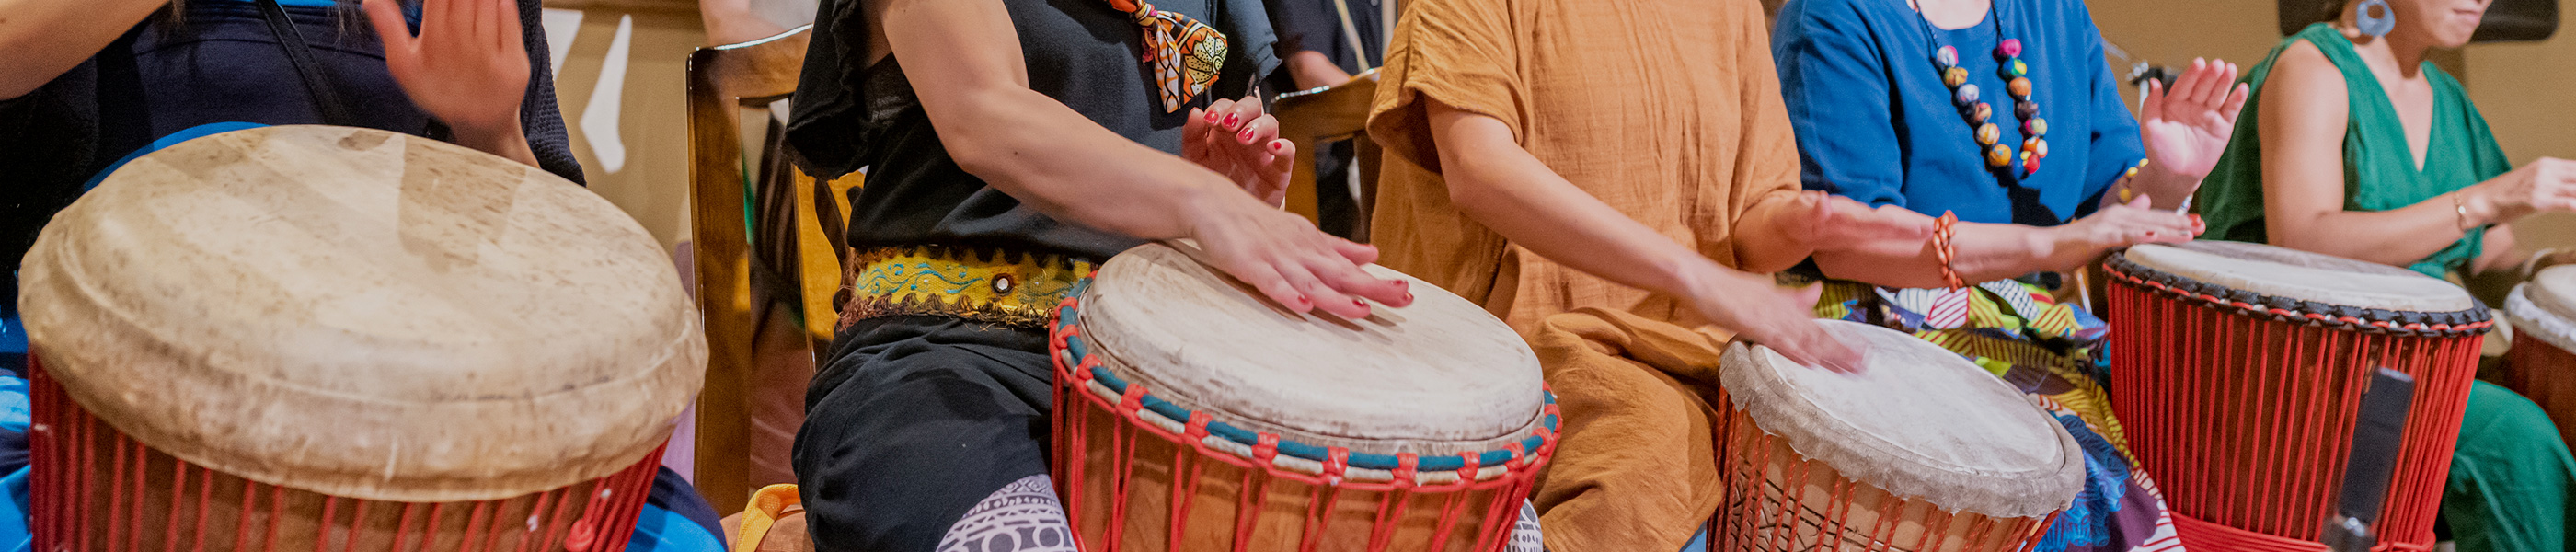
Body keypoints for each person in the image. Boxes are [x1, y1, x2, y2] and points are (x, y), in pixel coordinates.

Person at [777, 0, 1513, 547]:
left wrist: (1235, 191)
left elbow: (1212, 160)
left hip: (1166, 372)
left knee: (1490, 527)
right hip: (943, 362)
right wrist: (1196, 200)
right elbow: (982, 112)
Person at [0, 0, 723, 547]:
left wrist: (487, 126)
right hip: (85, 386)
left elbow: (547, 260)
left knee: (681, 537)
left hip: (406, 408)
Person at [1361, 0, 1942, 547]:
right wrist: (1694, 276)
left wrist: (1807, 225)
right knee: (1658, 448)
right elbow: (1477, 167)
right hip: (1513, 350)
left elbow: (1746, 224)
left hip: (1694, 351)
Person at [1771, 0, 2253, 549]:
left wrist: (2168, 177)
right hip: (1882, 320)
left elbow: (2113, 200)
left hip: (2032, 322)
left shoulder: (2053, 13)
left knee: (2202, 427)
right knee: (2078, 484)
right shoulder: (1836, 15)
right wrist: (2050, 245)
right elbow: (1849, 243)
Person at [2192, 0, 2576, 548]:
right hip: (2303, 359)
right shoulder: (2312, 67)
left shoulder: (2447, 98)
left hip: (2413, 361)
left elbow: (2492, 262)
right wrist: (2487, 199)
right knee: (2514, 437)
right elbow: (2303, 237)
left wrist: (2552, 266)